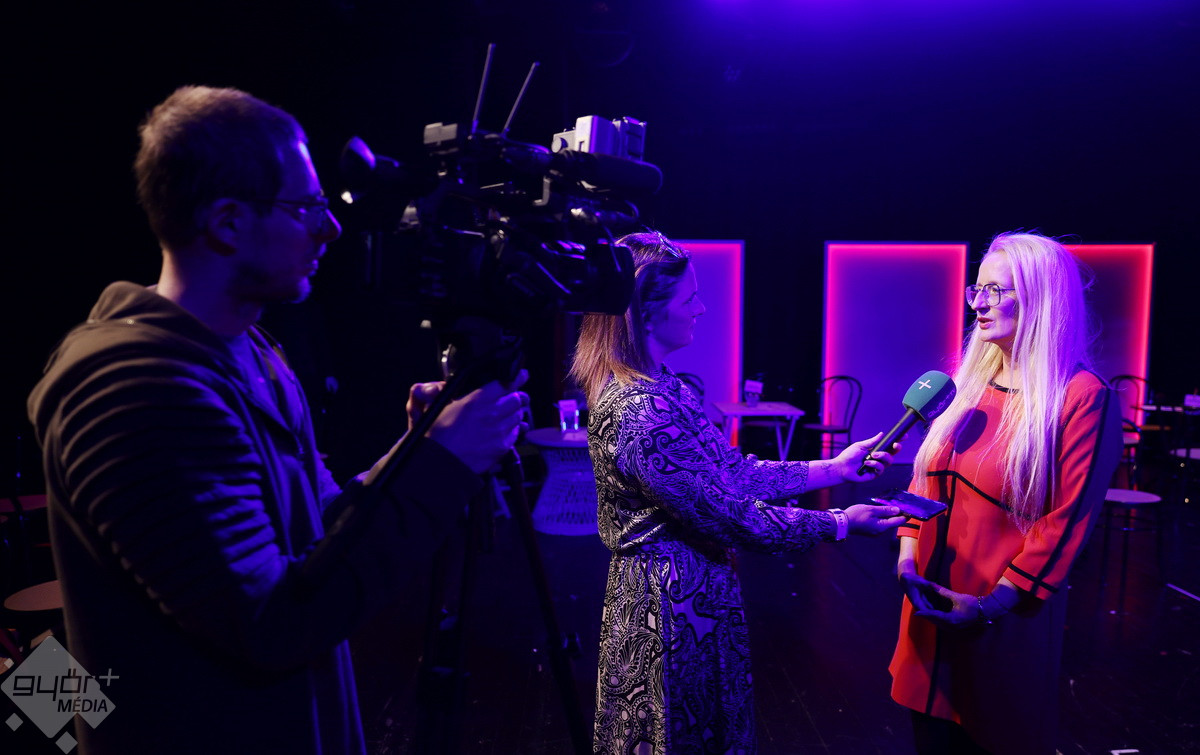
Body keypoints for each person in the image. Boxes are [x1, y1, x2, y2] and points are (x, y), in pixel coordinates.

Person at [25, 86, 529, 755]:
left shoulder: (250, 349)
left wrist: (416, 448)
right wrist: (441, 466)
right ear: (228, 222)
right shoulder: (132, 386)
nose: (331, 228)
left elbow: (318, 535)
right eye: (307, 207)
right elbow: (270, 624)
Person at [570, 231, 908, 754]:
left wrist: (834, 468)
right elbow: (729, 515)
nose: (701, 309)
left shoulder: (666, 388)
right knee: (673, 734)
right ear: (647, 313)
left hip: (693, 596)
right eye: (690, 298)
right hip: (666, 609)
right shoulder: (641, 410)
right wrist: (841, 523)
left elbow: (731, 472)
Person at [889, 231, 1123, 754]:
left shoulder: (1082, 399)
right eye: (977, 289)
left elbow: (1064, 525)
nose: (978, 303)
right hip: (925, 614)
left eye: (995, 290)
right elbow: (923, 482)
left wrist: (989, 606)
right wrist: (906, 564)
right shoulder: (966, 387)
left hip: (997, 619)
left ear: (1041, 298)